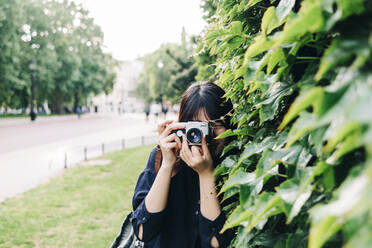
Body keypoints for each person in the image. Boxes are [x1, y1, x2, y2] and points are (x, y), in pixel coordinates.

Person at [131, 82, 235, 247]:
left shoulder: (235, 165)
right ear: (183, 126)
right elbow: (143, 230)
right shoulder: (164, 156)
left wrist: (206, 174)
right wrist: (167, 166)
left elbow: (216, 244)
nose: (205, 137)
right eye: (197, 128)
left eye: (214, 126)